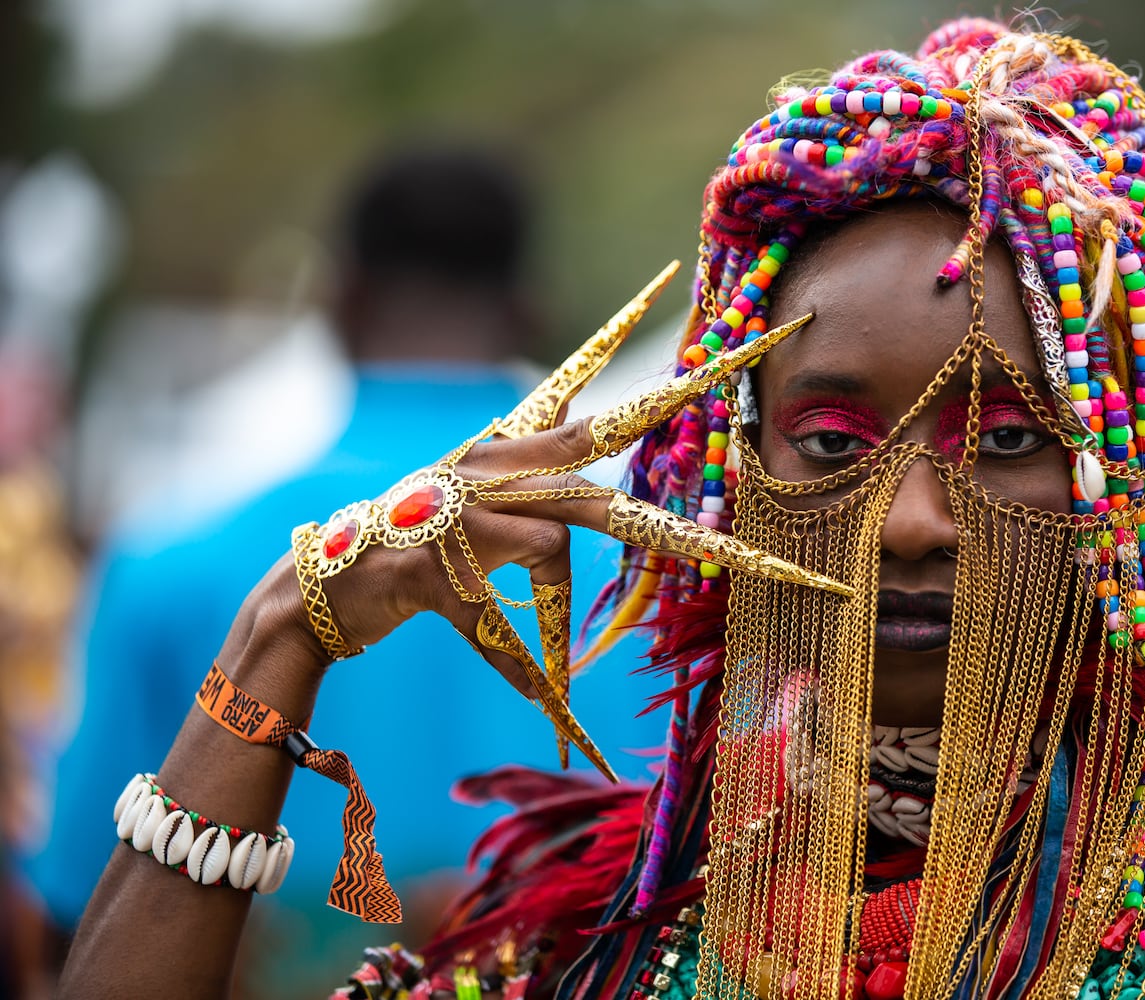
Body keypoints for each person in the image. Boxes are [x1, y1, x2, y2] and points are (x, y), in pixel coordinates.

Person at [59, 19, 1145, 1000]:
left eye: (1012, 435)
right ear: (728, 478)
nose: (912, 519)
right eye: (829, 439)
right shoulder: (601, 947)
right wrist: (279, 637)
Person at [26, 144, 668, 994]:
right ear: (527, 314)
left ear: (339, 302)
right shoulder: (662, 568)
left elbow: (74, 921)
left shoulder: (163, 560)